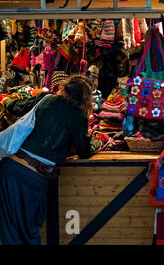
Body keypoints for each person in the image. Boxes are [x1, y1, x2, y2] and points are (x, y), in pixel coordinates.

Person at [0, 75, 96, 245]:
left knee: (10, 230)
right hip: (32, 177)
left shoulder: (48, 100)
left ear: (66, 88)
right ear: (86, 97)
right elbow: (84, 152)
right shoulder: (80, 116)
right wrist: (97, 142)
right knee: (30, 231)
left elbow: (19, 109)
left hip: (9, 167)